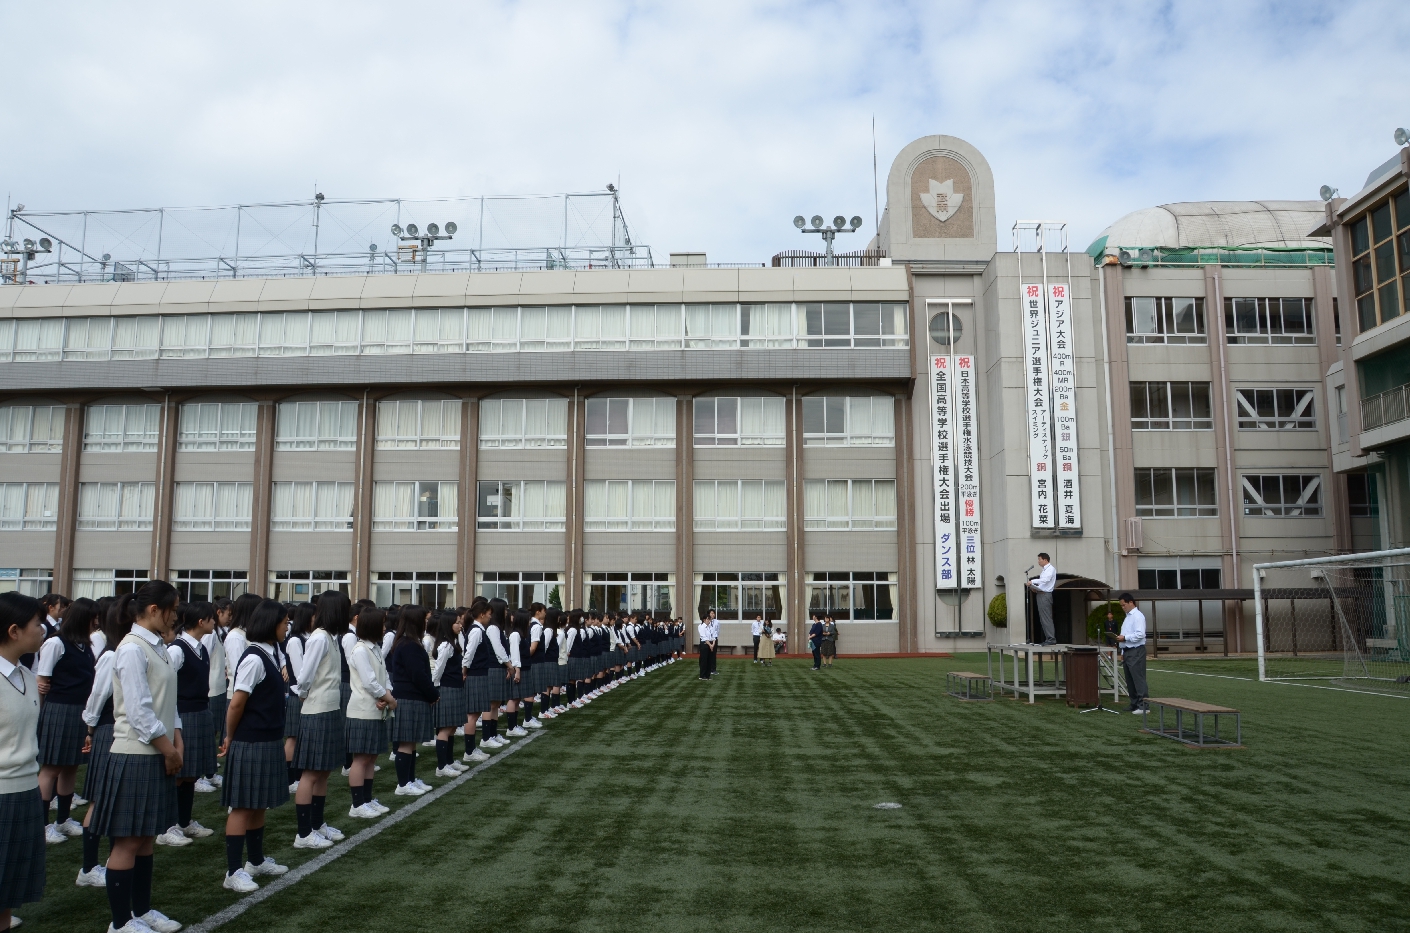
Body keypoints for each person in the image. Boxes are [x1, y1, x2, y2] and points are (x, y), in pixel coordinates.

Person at [88, 580, 185, 933]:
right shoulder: (130, 649)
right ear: (154, 610)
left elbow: (165, 701)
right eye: (172, 609)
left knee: (145, 838)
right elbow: (139, 711)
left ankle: (141, 911)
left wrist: (176, 741)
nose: (176, 616)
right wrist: (168, 749)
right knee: (128, 840)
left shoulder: (157, 645)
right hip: (135, 753)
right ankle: (120, 922)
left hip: (157, 751)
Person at [219, 598, 292, 893]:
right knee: (243, 806)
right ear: (270, 623)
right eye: (284, 622)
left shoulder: (272, 653)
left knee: (259, 803)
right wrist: (230, 736)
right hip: (250, 740)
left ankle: (256, 861)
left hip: (268, 739)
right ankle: (233, 870)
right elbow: (237, 704)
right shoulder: (254, 658)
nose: (288, 627)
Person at [0, 592, 48, 933]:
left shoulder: (26, 676)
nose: (43, 629)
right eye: (36, 624)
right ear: (14, 631)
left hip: (26, 790)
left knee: (8, 896)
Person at [35, 596, 98, 845]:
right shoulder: (55, 643)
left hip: (78, 710)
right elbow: (42, 680)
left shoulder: (84, 644)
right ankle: (42, 825)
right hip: (59, 709)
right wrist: (42, 715)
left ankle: (62, 819)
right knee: (51, 767)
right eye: (94, 617)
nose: (96, 622)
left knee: (71, 765)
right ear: (83, 617)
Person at [292, 593, 351, 850]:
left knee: (324, 771)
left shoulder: (331, 637)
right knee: (311, 772)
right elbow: (305, 675)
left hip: (330, 708)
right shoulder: (318, 637)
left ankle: (317, 824)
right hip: (317, 709)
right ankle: (304, 833)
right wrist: (303, 695)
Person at [157, 602, 218, 847]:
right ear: (201, 622)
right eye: (211, 618)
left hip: (200, 711)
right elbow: (167, 685)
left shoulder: (201, 648)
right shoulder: (177, 650)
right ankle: (166, 827)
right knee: (179, 774)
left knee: (191, 774)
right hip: (184, 714)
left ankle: (184, 821)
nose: (215, 622)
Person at [345, 608, 394, 819]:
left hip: (376, 708)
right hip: (362, 710)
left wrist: (386, 694)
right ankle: (357, 804)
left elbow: (383, 677)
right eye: (382, 624)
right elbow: (369, 682)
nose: (384, 628)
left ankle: (366, 798)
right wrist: (388, 698)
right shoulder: (360, 649)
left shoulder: (373, 648)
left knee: (371, 757)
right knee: (362, 758)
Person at [387, 606, 438, 796]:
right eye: (423, 619)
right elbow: (418, 675)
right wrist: (433, 694)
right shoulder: (409, 645)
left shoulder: (407, 642)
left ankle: (409, 780)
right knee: (406, 744)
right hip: (409, 697)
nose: (426, 622)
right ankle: (403, 784)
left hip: (411, 697)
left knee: (411, 743)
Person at [1115, 594, 1149, 714]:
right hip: (1128, 650)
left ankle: (1143, 706)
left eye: (1124, 605)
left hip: (1136, 650)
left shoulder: (1137, 616)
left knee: (1138, 678)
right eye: (1121, 605)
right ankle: (1134, 703)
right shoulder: (1128, 617)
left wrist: (1125, 638)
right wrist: (1123, 650)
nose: (1122, 607)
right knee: (1130, 679)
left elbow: (1140, 634)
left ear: (1131, 602)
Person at [1026, 553, 1057, 646]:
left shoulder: (1050, 569)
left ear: (1045, 560)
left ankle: (1051, 638)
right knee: (1043, 618)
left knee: (1046, 617)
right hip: (1041, 593)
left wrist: (1033, 581)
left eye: (1039, 559)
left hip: (1045, 595)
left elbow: (1046, 580)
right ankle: (1048, 638)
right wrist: (1035, 587)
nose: (1038, 561)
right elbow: (1043, 583)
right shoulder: (1045, 570)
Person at [697, 611, 716, 681]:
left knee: (709, 660)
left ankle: (707, 675)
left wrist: (713, 644)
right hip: (705, 644)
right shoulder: (701, 626)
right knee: (704, 660)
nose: (709, 621)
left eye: (709, 619)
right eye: (707, 619)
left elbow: (714, 635)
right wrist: (710, 645)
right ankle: (702, 675)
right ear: (704, 620)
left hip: (710, 644)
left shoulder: (710, 626)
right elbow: (704, 637)